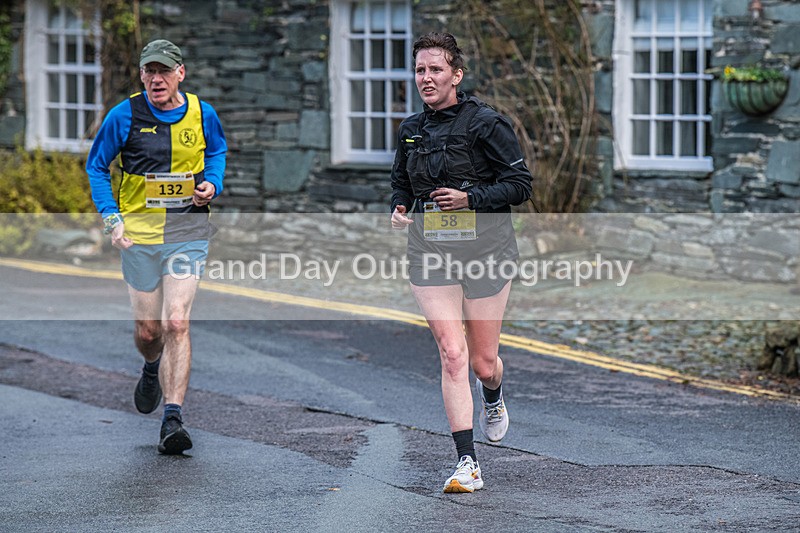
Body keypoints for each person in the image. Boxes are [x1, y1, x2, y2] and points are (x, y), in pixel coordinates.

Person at [390, 32, 532, 492]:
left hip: (486, 252)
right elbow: (401, 183)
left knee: (482, 361)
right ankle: (466, 463)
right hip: (430, 251)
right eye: (419, 70)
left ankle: (493, 392)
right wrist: (399, 206)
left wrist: (469, 197)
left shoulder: (487, 124)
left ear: (456, 74)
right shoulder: (410, 129)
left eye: (435, 69)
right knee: (453, 354)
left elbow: (520, 185)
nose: (426, 78)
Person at [86, 39, 227, 454]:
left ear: (180, 73)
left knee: (177, 322)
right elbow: (97, 166)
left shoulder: (203, 113)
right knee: (149, 332)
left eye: (164, 71)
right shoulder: (124, 114)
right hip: (140, 237)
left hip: (187, 231)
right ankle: (151, 367)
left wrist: (211, 184)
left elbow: (216, 151)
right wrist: (112, 219)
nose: (155, 79)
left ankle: (173, 419)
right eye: (149, 71)